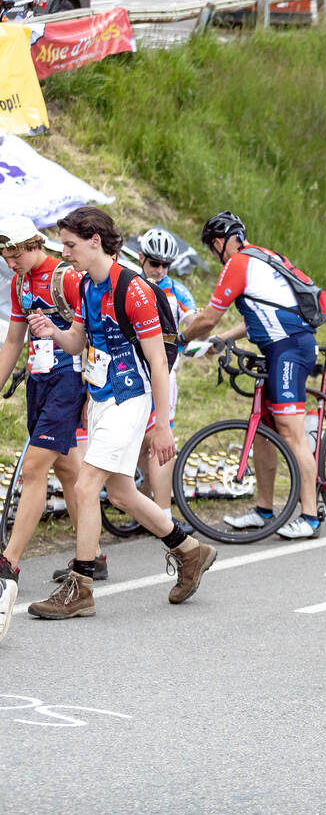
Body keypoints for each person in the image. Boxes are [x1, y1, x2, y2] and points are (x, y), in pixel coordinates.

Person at [24, 206, 216, 620]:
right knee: (121, 493)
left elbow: (159, 363)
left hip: (130, 398)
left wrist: (161, 424)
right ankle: (189, 550)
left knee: (85, 486)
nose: (65, 253)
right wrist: (52, 331)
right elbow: (78, 342)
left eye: (70, 245)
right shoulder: (85, 286)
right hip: (101, 398)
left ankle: (81, 587)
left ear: (95, 241)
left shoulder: (134, 289)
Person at [182, 211, 320, 539]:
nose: (213, 255)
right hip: (280, 348)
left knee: (291, 432)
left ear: (219, 242)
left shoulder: (239, 264)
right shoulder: (261, 257)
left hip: (289, 349)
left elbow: (207, 319)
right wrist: (221, 341)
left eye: (211, 248)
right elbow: (258, 317)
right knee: (263, 431)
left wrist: (180, 339)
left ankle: (311, 517)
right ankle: (263, 510)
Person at [0, 216, 89, 640]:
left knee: (34, 468)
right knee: (67, 470)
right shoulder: (19, 283)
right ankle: (94, 554)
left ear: (34, 244)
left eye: (15, 253)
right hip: (39, 380)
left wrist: (93, 391)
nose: (10, 262)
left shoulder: (64, 276)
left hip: (69, 380)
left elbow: (92, 332)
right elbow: (13, 341)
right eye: (4, 255)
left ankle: (9, 562)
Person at [137, 227, 198, 530]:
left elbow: (196, 322)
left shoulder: (177, 290)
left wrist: (188, 338)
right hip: (133, 372)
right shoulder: (131, 285)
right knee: (138, 439)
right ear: (141, 258)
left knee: (161, 439)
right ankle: (144, 506)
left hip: (164, 373)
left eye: (165, 265)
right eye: (154, 263)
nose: (160, 270)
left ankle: (162, 515)